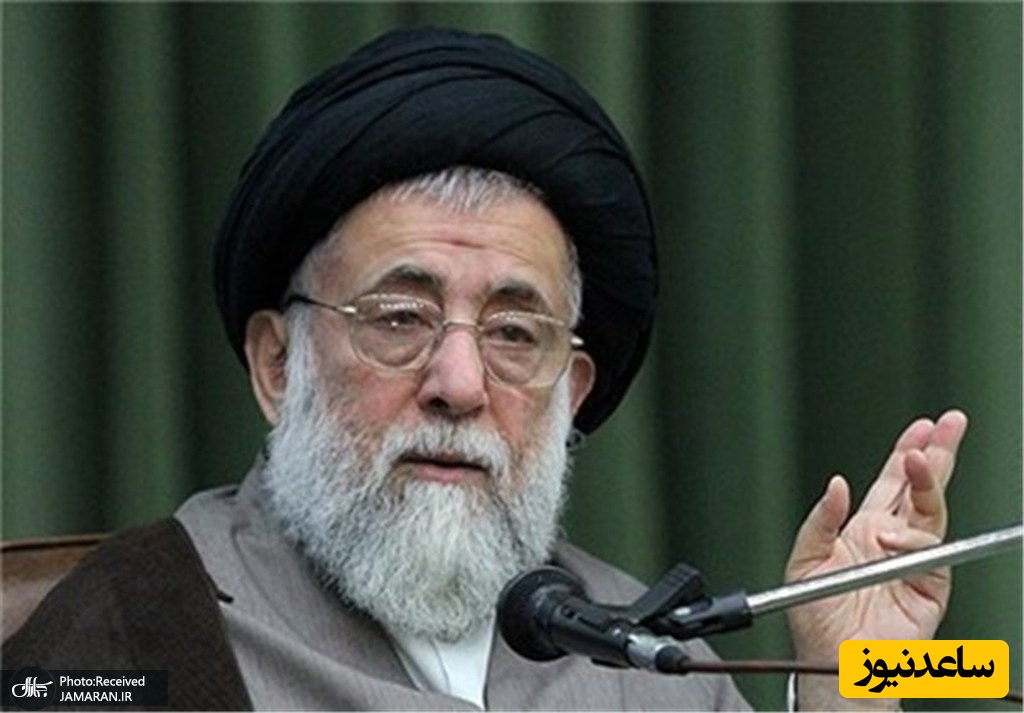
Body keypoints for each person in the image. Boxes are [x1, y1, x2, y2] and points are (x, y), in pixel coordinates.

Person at [3, 27, 968, 711]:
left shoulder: (646, 659)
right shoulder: (123, 642)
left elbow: (943, 676)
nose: (460, 384)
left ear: (572, 393)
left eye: (514, 333)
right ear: (277, 363)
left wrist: (853, 686)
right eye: (400, 318)